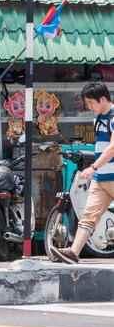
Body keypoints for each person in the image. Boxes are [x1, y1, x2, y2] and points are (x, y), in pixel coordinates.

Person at [50, 82, 114, 264]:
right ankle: (73, 252)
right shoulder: (98, 119)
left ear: (102, 99)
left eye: (91, 103)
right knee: (88, 216)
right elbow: (101, 148)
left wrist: (93, 167)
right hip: (101, 179)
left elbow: (112, 148)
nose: (89, 107)